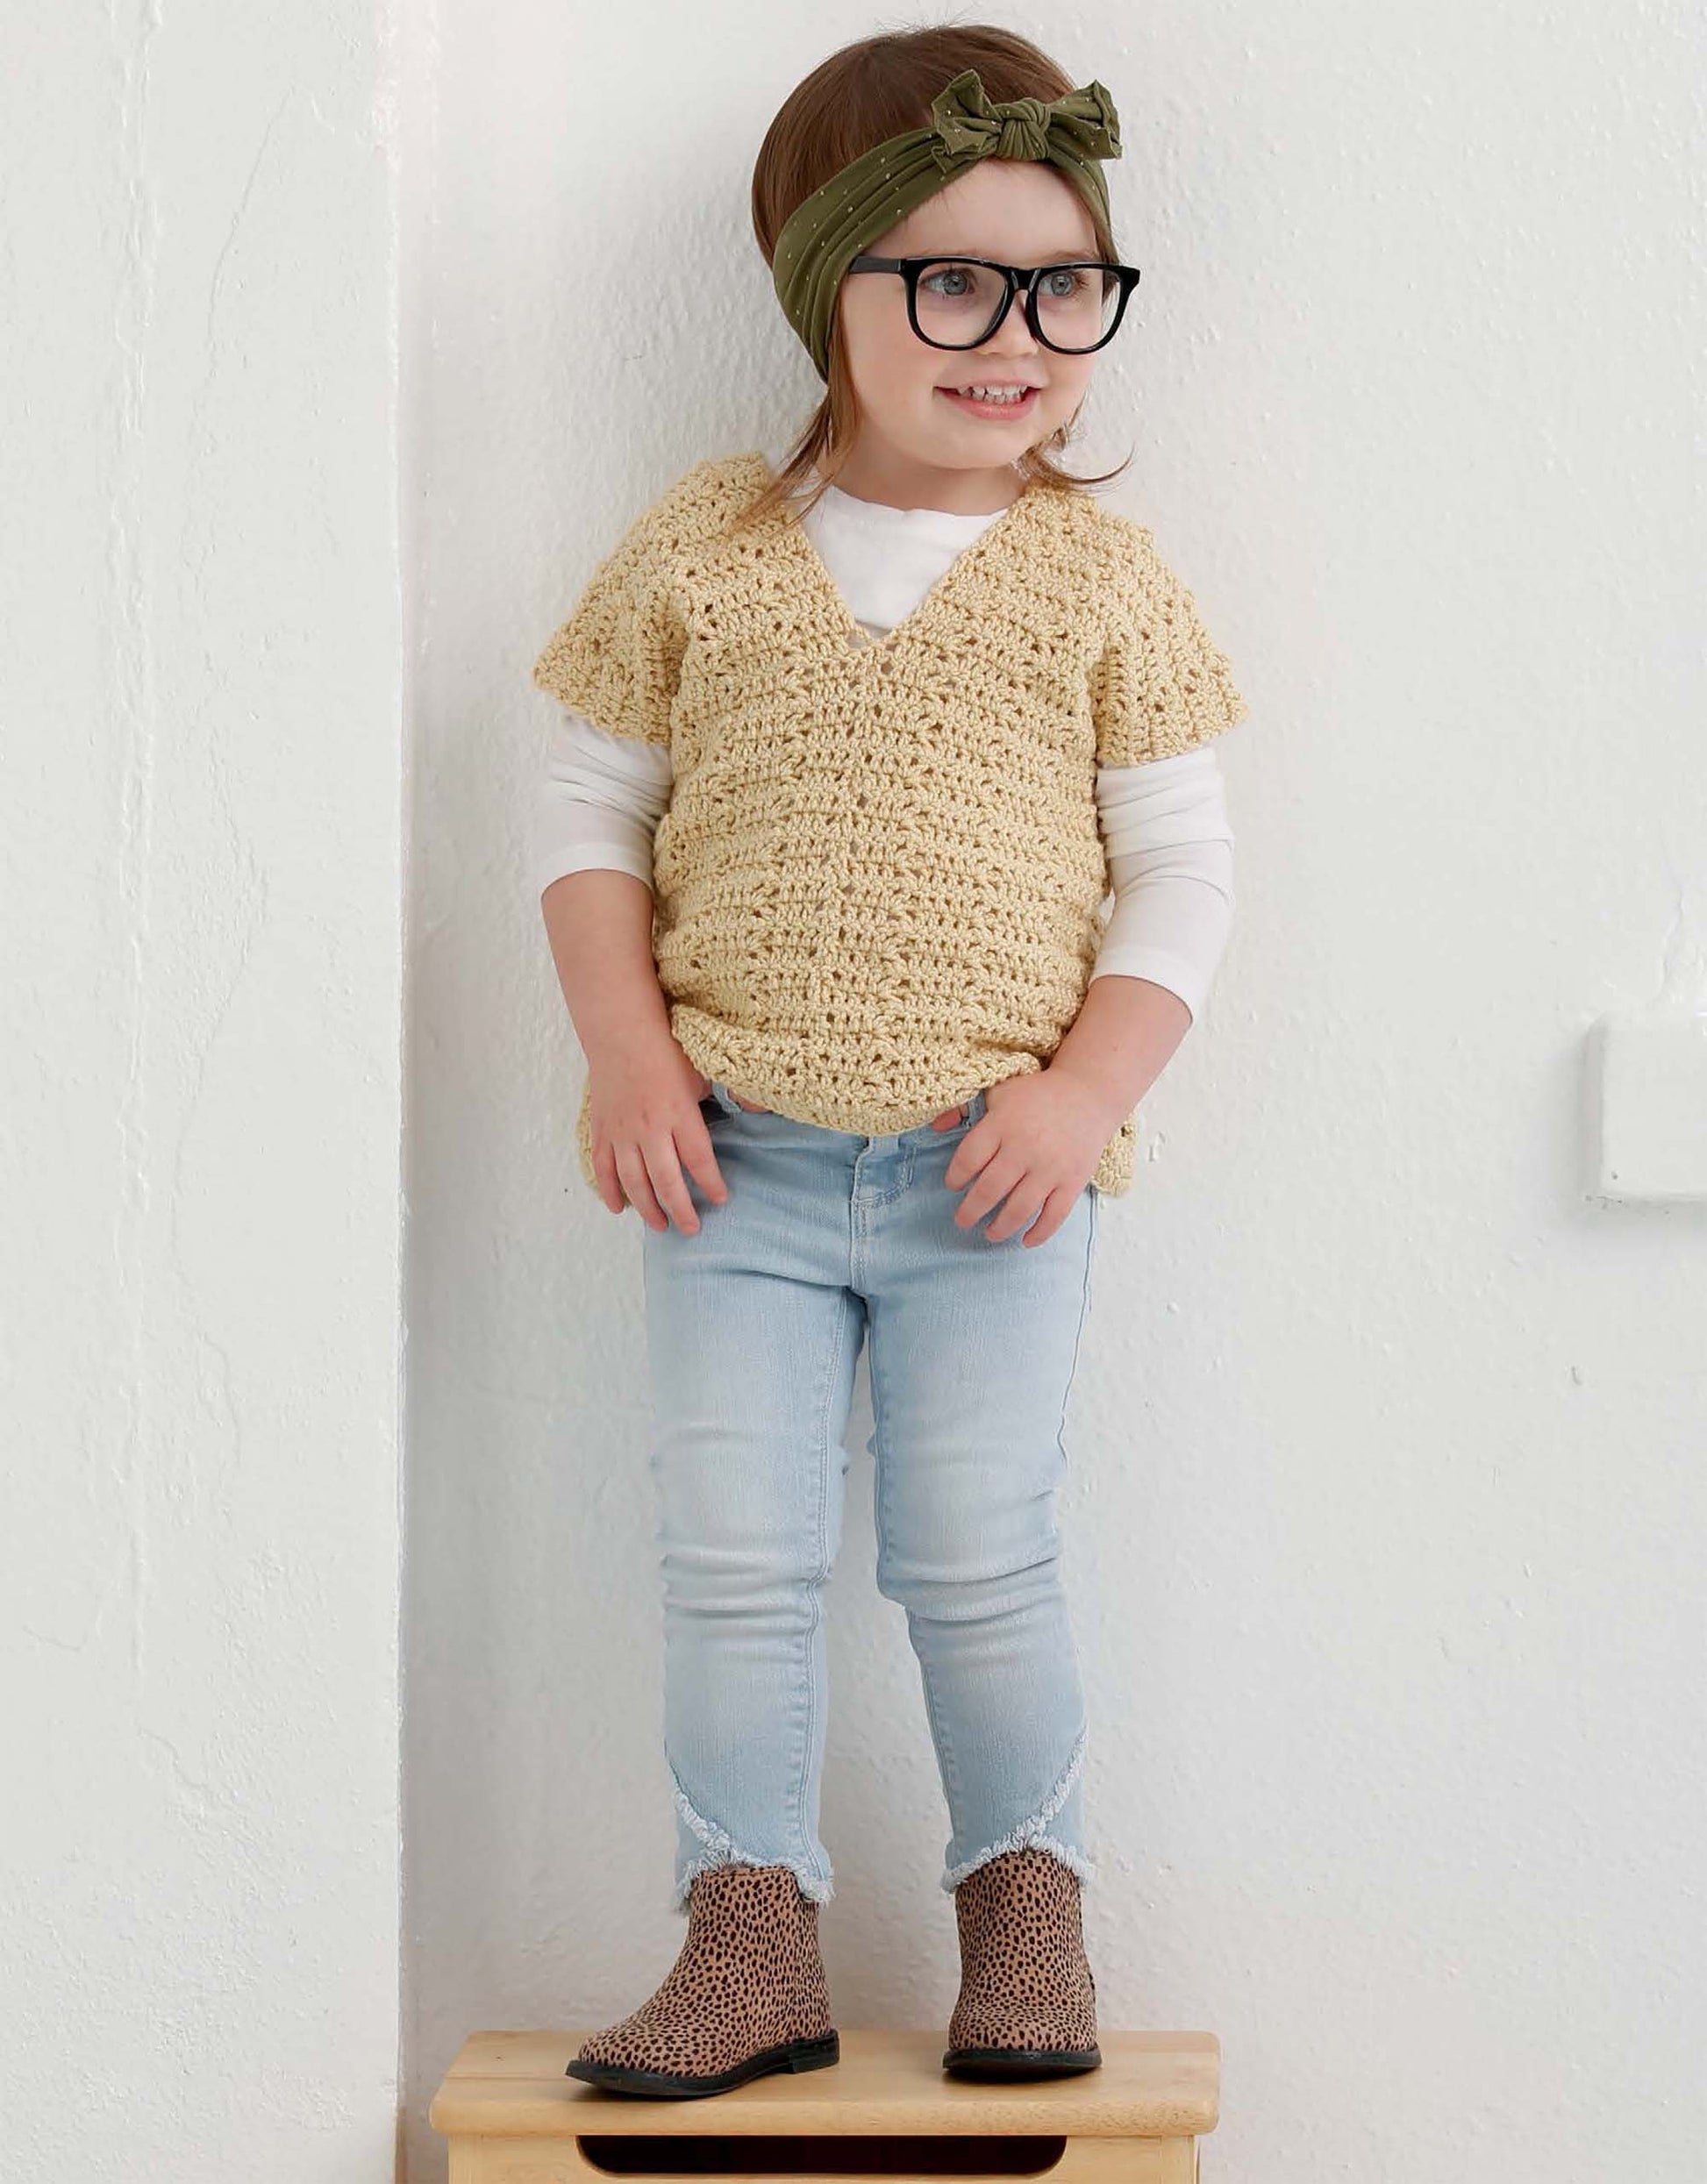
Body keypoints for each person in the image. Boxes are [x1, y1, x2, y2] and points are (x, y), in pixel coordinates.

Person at [529, 25, 1249, 2102]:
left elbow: (1182, 879)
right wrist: (625, 1055)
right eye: (946, 279)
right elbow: (586, 811)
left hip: (983, 1173)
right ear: (823, 290)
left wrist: (1086, 1094)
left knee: (979, 1546)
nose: (1010, 335)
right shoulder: (704, 546)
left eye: (1059, 286)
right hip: (725, 1165)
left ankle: (1027, 1900)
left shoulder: (1101, 580)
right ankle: (744, 1927)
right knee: (733, 1552)